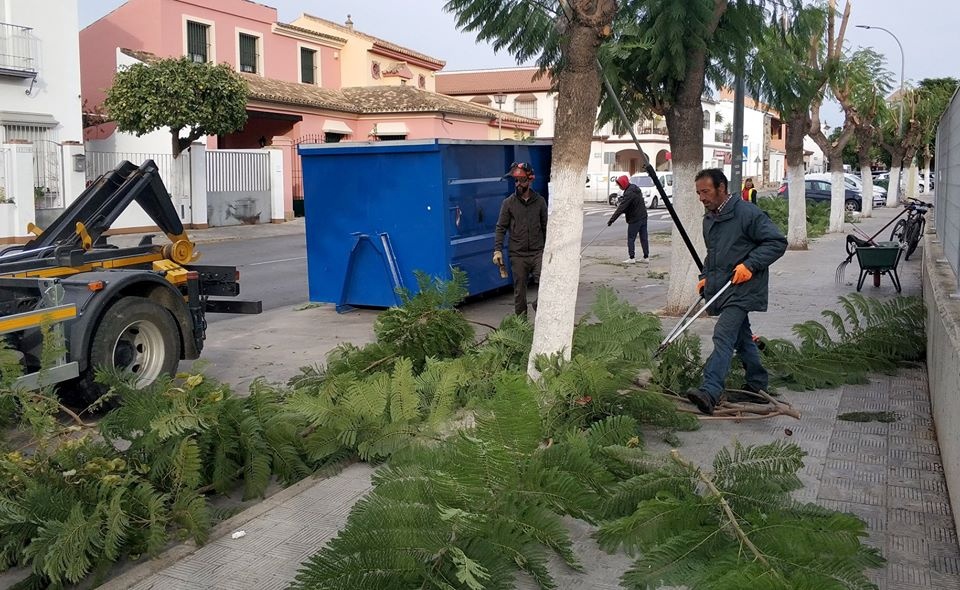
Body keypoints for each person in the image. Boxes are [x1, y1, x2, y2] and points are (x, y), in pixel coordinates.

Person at [686, 168, 787, 415]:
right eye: (699, 193)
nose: (702, 197)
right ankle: (756, 384)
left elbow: (777, 242)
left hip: (744, 287)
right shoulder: (709, 218)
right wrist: (704, 278)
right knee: (742, 338)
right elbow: (713, 255)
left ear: (722, 188)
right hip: (723, 286)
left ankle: (710, 391)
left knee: (723, 334)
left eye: (706, 191)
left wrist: (750, 265)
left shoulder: (747, 213)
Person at [493, 162, 548, 317]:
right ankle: (521, 326)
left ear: (530, 180)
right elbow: (500, 227)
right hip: (517, 255)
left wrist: (549, 250)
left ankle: (540, 309)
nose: (517, 184)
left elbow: (546, 227)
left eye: (521, 180)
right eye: (515, 181)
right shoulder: (508, 203)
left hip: (537, 253)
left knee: (546, 284)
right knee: (519, 293)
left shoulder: (540, 202)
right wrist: (497, 249)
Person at [607, 175, 649, 264]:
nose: (619, 187)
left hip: (635, 219)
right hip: (643, 216)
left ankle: (632, 257)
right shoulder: (635, 189)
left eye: (620, 185)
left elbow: (621, 208)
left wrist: (612, 220)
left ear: (624, 183)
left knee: (631, 238)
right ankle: (646, 257)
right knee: (644, 237)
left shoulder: (629, 193)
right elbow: (632, 205)